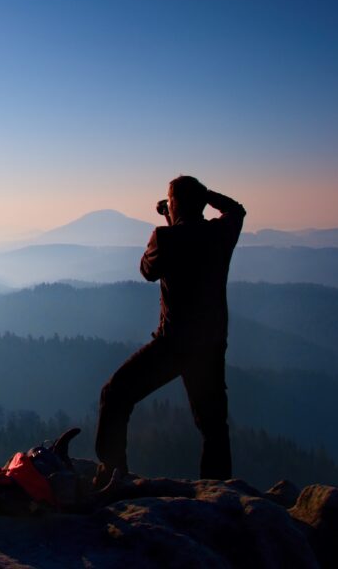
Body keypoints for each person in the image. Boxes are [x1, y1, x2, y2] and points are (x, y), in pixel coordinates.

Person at [93, 175, 246, 486]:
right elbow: (236, 211)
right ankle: (217, 491)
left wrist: (167, 222)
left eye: (170, 200)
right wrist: (198, 199)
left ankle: (111, 473)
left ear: (175, 203)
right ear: (202, 203)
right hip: (211, 345)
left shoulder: (165, 239)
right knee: (213, 426)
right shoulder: (220, 234)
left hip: (174, 346)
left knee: (116, 393)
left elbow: (147, 270)